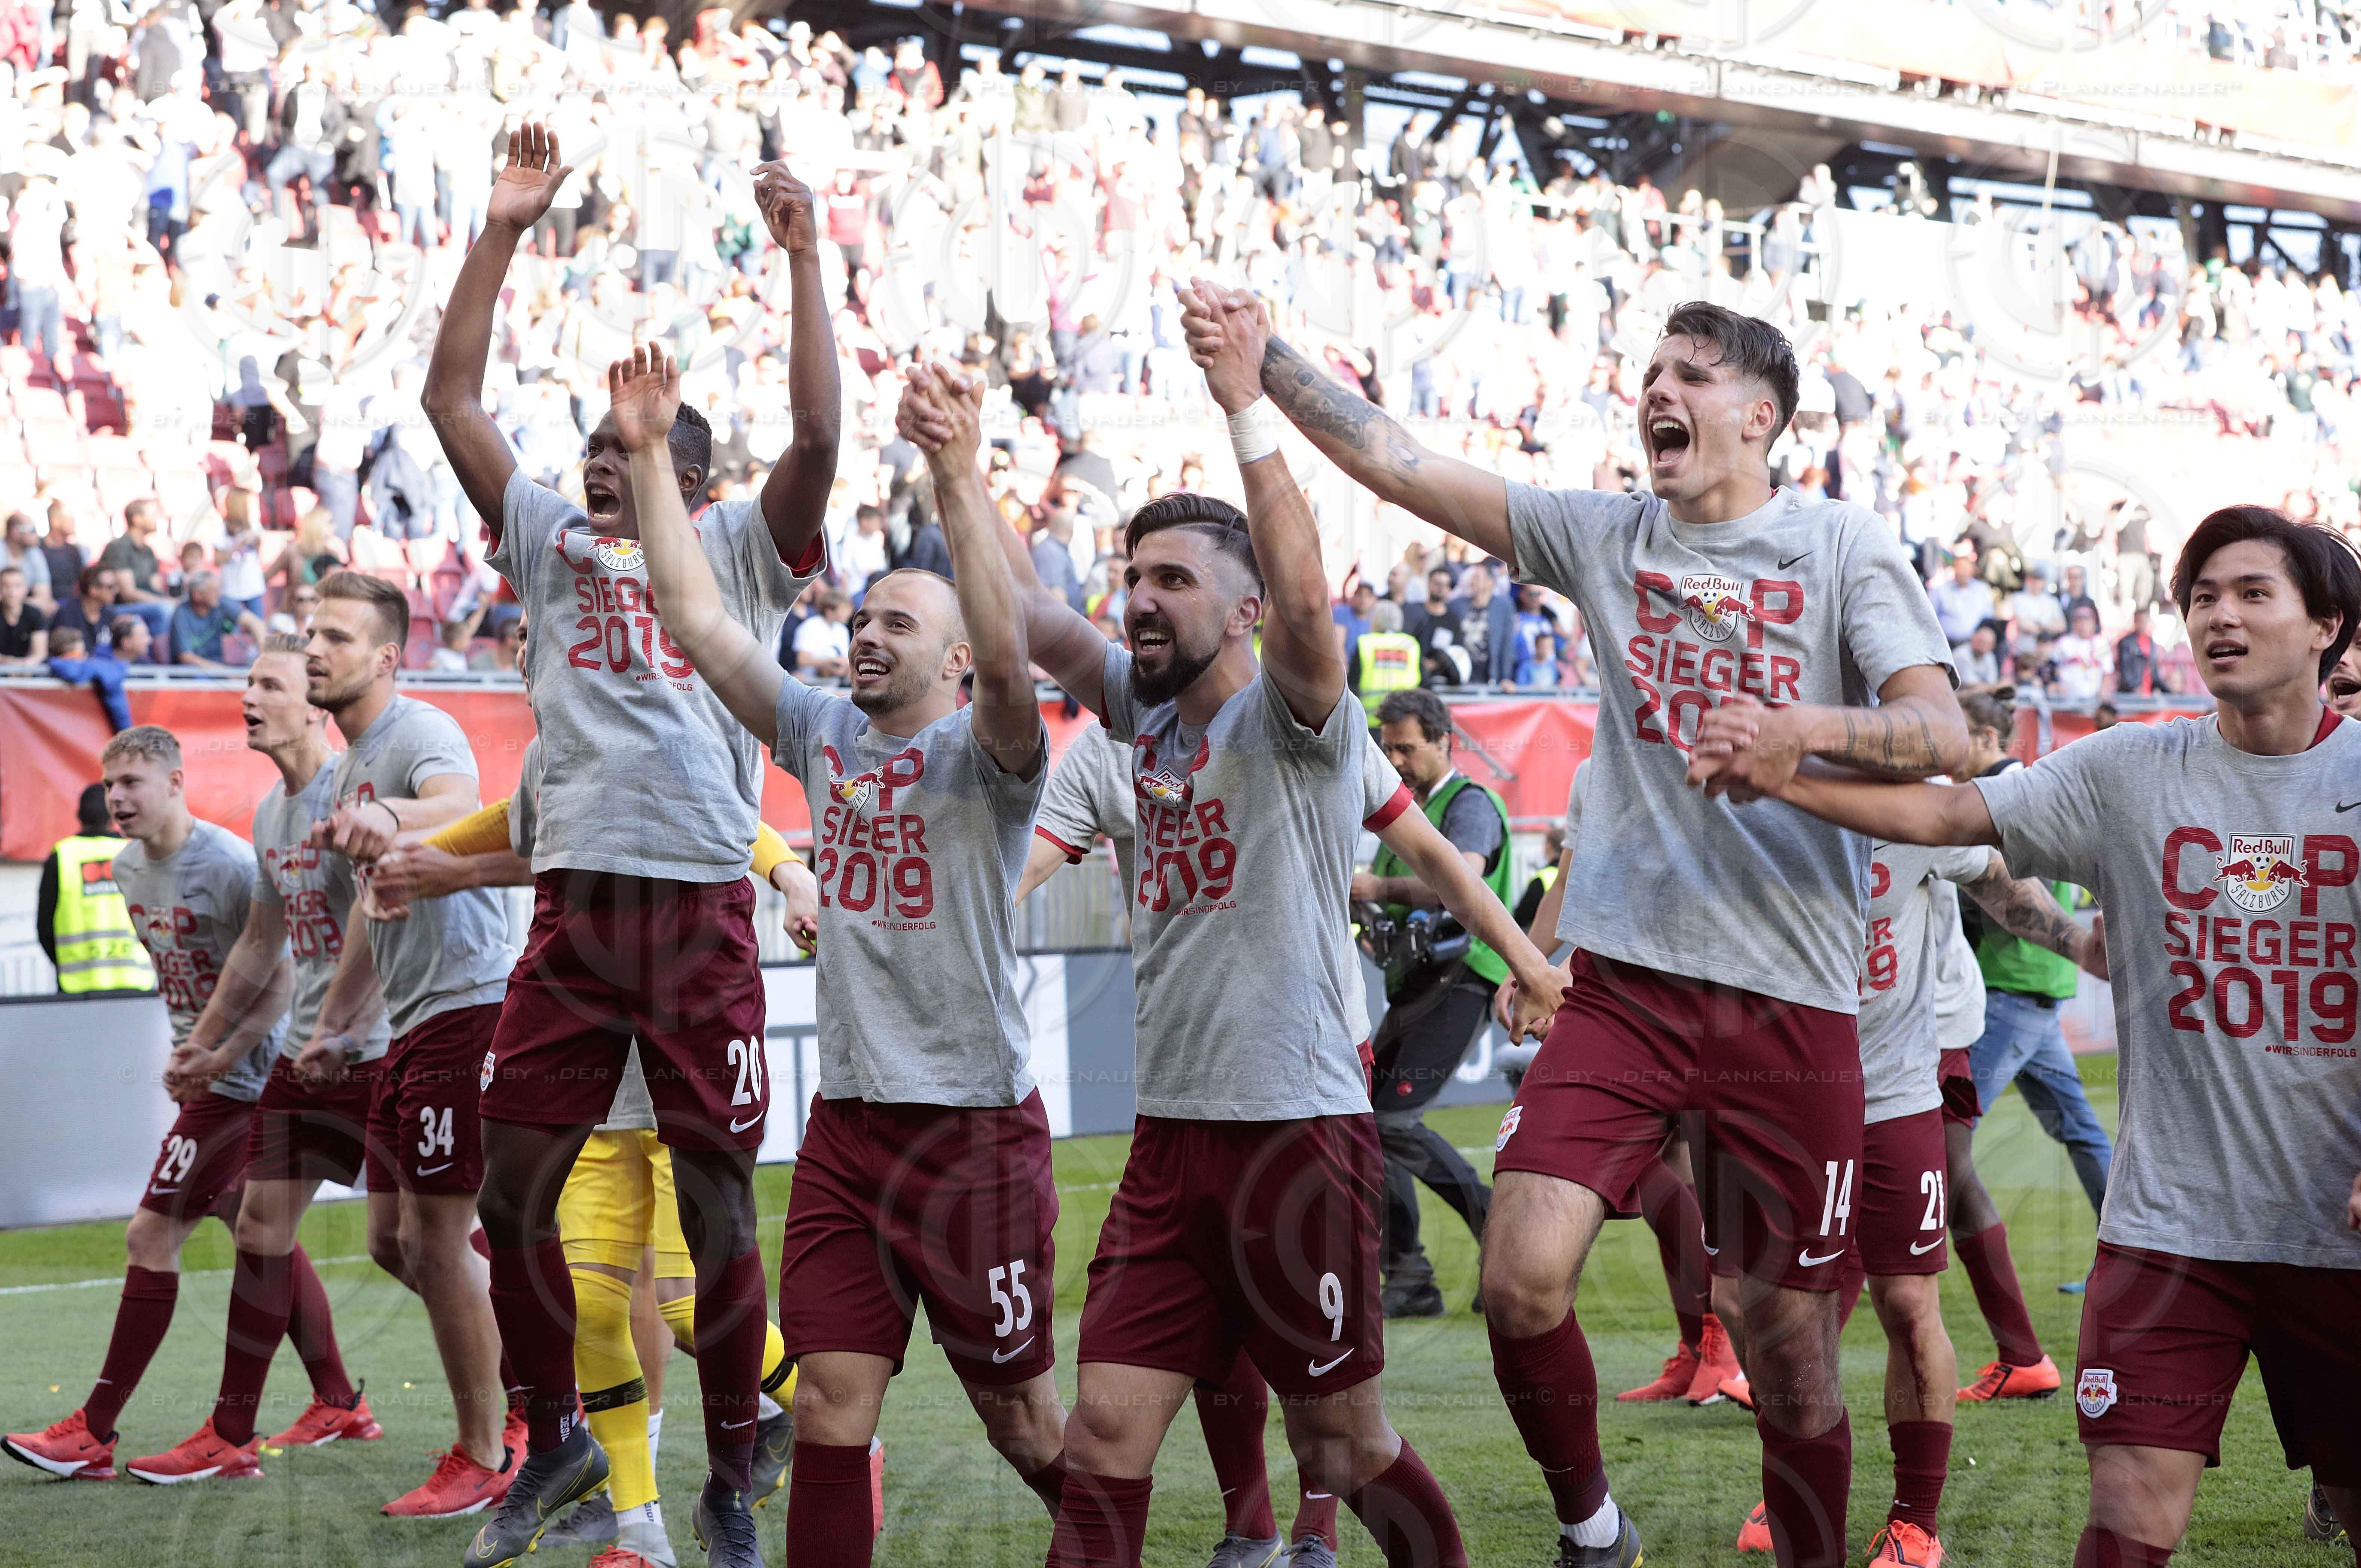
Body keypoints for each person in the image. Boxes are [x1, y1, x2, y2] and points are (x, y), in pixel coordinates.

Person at [1190, 291, 1967, 1568]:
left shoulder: (1838, 545)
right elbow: (1398, 460)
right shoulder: (1607, 534)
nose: (1658, 391)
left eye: (1692, 374)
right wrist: (1255, 361)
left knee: (1786, 1347)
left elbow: (1943, 733)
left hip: (1795, 1003)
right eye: (1650, 371)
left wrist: (1800, 733)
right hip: (1627, 987)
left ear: (1760, 417)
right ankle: (1592, 1526)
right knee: (1518, 1278)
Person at [914, 286, 1572, 1568]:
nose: (1140, 602)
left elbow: (1317, 612)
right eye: (1132, 579)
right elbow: (1025, 615)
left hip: (1294, 1137)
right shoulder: (1134, 715)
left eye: (1172, 581)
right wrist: (953, 469)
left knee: (1342, 1448)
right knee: (1106, 1435)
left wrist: (1246, 403)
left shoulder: (1300, 718)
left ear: (1249, 607)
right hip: (1171, 1146)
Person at [1713, 506, 2361, 1568]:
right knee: (2127, 1511)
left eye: (2253, 594)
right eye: (2202, 597)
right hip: (2169, 1234)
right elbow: (1949, 817)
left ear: (2327, 623)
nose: (2220, 617)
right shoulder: (2129, 770)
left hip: (2339, 1241)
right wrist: (1783, 762)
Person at [422, 125, 837, 1568]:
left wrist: (803, 264)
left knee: (720, 1200)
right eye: (594, 446)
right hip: (577, 915)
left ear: (688, 475)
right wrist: (502, 225)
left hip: (701, 908)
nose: (602, 463)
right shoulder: (541, 543)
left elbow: (820, 445)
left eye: (631, 447)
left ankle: (732, 1468)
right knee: (506, 1195)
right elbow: (450, 398)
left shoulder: (732, 556)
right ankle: (555, 1444)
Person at [617, 341, 1071, 1566]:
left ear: (961, 658)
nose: (866, 634)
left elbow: (1018, 655)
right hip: (850, 1138)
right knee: (824, 1406)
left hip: (973, 1135)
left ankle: (1107, 1539)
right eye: (860, 617)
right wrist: (654, 456)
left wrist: (958, 471)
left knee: (1022, 1419)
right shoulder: (823, 732)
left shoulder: (994, 758)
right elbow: (698, 620)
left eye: (899, 623)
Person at [370, 662, 823, 1568]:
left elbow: (739, 825)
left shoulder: (674, 722)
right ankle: (638, 1521)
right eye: (530, 636)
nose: (539, 652)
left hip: (666, 1076)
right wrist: (432, 863)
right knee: (586, 1306)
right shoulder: (555, 752)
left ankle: (820, 1424)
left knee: (686, 1306)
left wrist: (790, 873)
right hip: (588, 1088)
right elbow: (522, 824)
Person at [1729, 824, 2100, 1564]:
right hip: (1783, 1088)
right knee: (1759, 1299)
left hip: (1900, 1077)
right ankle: (1801, 1476)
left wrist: (2083, 945)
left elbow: (1996, 875)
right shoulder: (1746, 806)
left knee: (1907, 1297)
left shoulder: (1910, 802)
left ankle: (1916, 1520)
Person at [119, 638, 386, 1479]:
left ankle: (534, 1410)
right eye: (247, 682)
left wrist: (335, 1025)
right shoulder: (274, 812)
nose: (248, 696)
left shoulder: (357, 794)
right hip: (300, 1060)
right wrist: (207, 1034)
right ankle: (235, 1432)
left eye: (268, 683)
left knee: (417, 1244)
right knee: (260, 1223)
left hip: (381, 1049)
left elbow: (386, 924)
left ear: (315, 703)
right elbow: (264, 946)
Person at [1, 727, 291, 1482]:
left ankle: (94, 1431)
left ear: (175, 780)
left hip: (251, 1079)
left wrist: (221, 1051)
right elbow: (184, 973)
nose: (118, 796)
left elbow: (279, 977)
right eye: (111, 783)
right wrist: (186, 1045)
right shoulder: (125, 867)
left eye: (133, 781)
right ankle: (334, 1399)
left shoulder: (229, 862)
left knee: (150, 1232)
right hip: (212, 1075)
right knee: (256, 1227)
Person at [296, 571, 521, 1518]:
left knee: (435, 1240)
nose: (315, 650)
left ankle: (490, 1449)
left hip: (467, 1006)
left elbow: (463, 804)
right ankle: (544, 1387)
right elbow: (368, 912)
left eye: (337, 638)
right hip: (410, 1020)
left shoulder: (417, 734)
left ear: (387, 658)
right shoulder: (350, 765)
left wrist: (389, 817)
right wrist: (336, 1022)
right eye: (311, 635)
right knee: (395, 1239)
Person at [1512, 760, 1737, 1410]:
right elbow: (1572, 876)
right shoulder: (1595, 770)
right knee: (1666, 1169)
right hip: (1627, 996)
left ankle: (1720, 1343)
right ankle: (1699, 1347)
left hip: (1713, 990)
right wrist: (1528, 964)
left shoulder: (1719, 745)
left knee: (1701, 1173)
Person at [1354, 687, 1510, 1319]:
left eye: (1406, 747)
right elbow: (1390, 905)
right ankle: (1409, 1276)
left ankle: (1498, 1230)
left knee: (1389, 1122)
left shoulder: (1469, 803)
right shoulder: (1405, 811)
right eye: (1386, 747)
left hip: (1464, 977)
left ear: (1445, 741)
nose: (1394, 759)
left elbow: (1461, 878)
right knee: (1363, 1126)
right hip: (1417, 984)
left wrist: (1375, 885)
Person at [1954, 693, 2117, 1253]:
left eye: (1956, 731)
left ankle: (1886, 1252)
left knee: (1939, 1136)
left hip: (2010, 987)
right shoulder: (2037, 785)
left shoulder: (2000, 798)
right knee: (2081, 1132)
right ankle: (2130, 1244)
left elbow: (2014, 888)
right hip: (2040, 989)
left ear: (1984, 739)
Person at [33, 782, 152, 993]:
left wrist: (67, 965)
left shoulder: (62, 856)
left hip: (78, 987)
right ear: (114, 816)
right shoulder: (135, 854)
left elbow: (44, 928)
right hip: (135, 984)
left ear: (79, 815)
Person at [98, 499, 174, 647]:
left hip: (147, 604)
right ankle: (157, 662)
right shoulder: (118, 547)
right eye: (152, 514)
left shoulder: (148, 551)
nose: (158, 519)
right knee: (165, 609)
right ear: (138, 519)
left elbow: (156, 588)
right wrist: (165, 603)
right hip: (119, 607)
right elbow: (128, 593)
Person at [169, 570, 266, 668]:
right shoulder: (181, 614)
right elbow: (186, 658)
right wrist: (226, 673)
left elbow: (256, 623)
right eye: (214, 591)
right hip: (192, 674)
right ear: (197, 596)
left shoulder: (221, 602)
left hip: (218, 668)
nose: (219, 594)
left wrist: (264, 656)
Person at [45, 627, 134, 731]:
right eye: (79, 655)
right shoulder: (62, 666)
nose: (84, 659)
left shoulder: (97, 669)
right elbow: (71, 671)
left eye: (85, 655)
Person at [1444, 563, 1518, 685]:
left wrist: (1506, 677)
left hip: (1489, 675)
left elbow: (1507, 643)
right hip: (1461, 673)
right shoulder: (1457, 606)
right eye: (1472, 578)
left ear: (1491, 582)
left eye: (1477, 577)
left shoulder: (1503, 606)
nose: (1472, 581)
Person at [1931, 545, 1997, 651]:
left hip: (1974, 647)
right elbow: (1930, 617)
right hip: (1946, 645)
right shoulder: (1941, 590)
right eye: (1959, 568)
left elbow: (1989, 617)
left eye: (1965, 569)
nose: (1961, 572)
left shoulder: (1982, 590)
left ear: (1972, 571)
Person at [0, 564, 49, 663]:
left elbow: (40, 654)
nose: (12, 592)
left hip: (28, 673)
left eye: (17, 586)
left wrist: (26, 665)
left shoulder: (35, 614)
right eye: (6, 586)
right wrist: (16, 664)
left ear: (26, 589)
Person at [2114, 607, 2157, 696]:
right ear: (2135, 622)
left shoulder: (2151, 642)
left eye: (2145, 621)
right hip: (2132, 693)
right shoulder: (2126, 642)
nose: (2143, 624)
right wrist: (2135, 687)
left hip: (2148, 691)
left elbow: (2154, 670)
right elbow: (2125, 668)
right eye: (2140, 621)